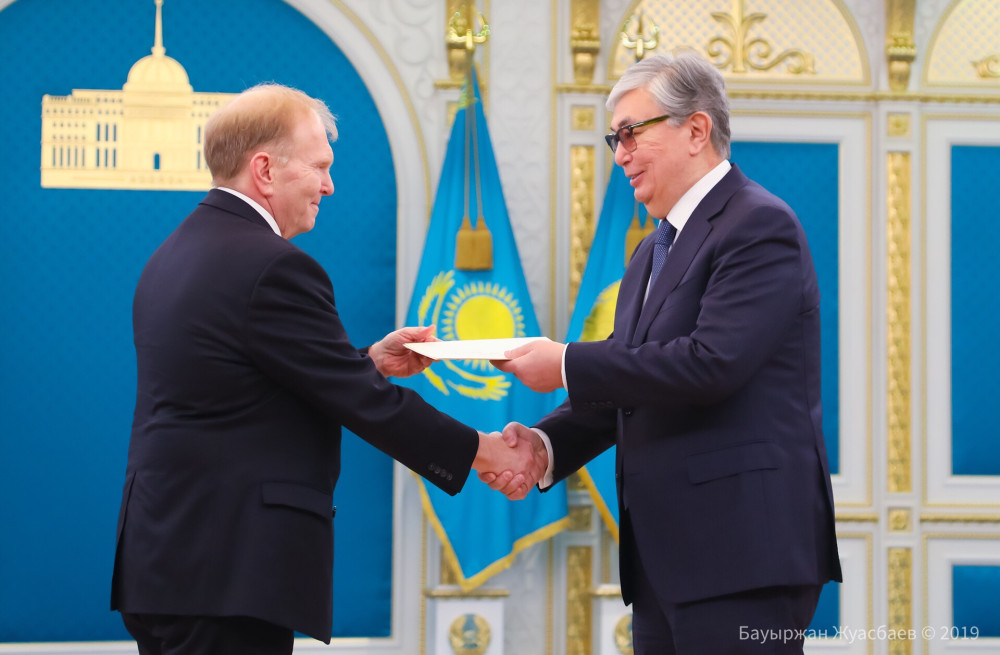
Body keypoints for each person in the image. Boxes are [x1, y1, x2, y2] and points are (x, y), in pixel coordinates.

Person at [110, 83, 546, 654]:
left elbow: (240, 382)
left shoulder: (172, 255)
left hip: (168, 559)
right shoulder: (272, 267)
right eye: (319, 167)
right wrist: (489, 451)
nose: (329, 185)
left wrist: (366, 362)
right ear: (264, 170)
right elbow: (365, 404)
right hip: (229, 571)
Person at [486, 52, 842, 654]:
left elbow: (709, 364)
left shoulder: (760, 225)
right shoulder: (649, 253)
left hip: (742, 557)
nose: (619, 155)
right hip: (665, 560)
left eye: (631, 133)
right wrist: (545, 446)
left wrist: (566, 362)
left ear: (697, 130)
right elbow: (635, 383)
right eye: (614, 139)